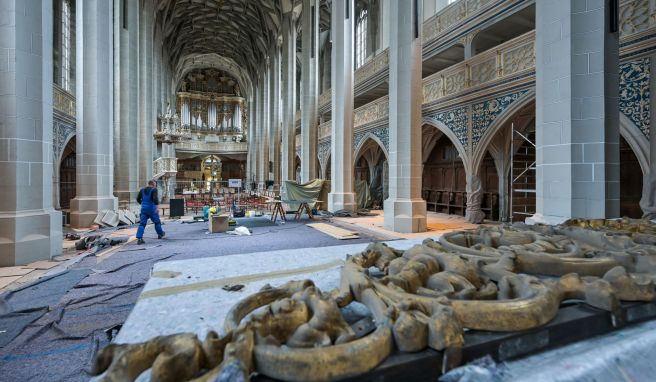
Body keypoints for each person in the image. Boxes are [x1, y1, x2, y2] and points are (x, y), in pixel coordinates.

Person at [136, 180, 165, 244]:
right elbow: (155, 199)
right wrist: (157, 208)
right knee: (157, 222)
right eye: (155, 184)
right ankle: (160, 234)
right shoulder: (154, 190)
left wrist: (142, 204)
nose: (155, 185)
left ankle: (139, 238)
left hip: (143, 209)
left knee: (142, 223)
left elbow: (137, 199)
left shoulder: (142, 190)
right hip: (152, 209)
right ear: (153, 184)